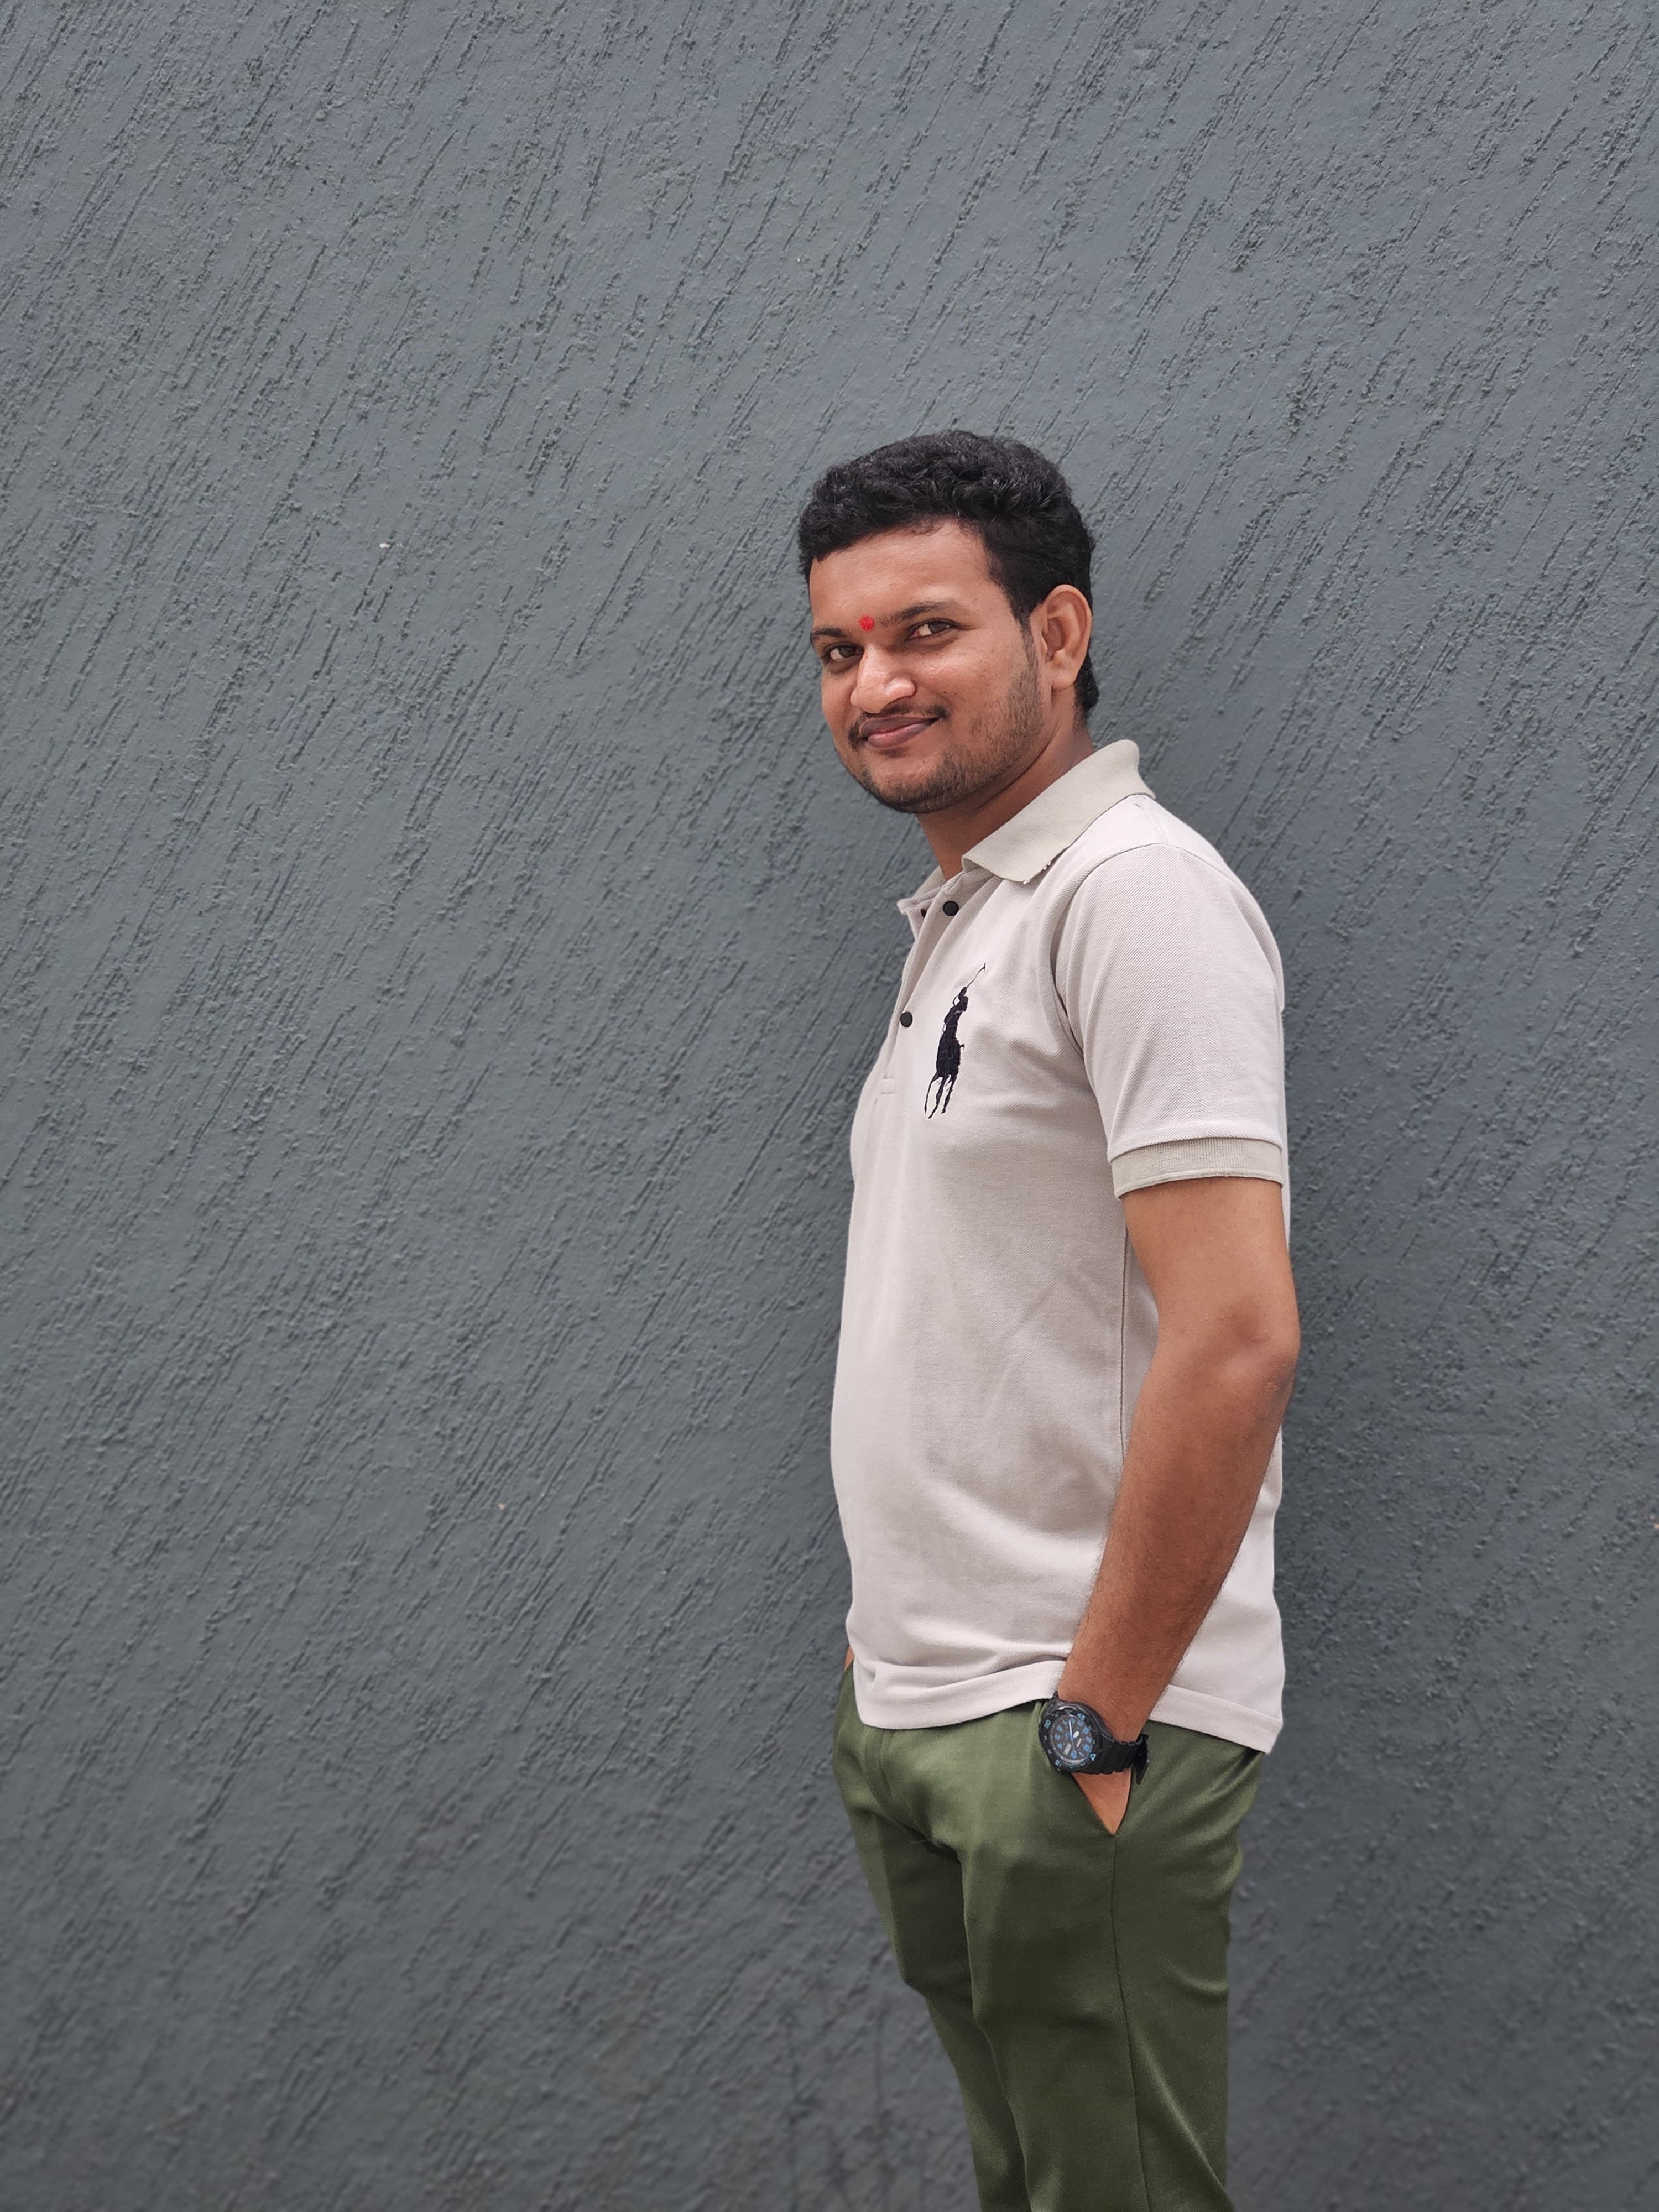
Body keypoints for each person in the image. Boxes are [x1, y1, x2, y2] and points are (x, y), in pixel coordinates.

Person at [800, 431, 1300, 2212]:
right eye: (841, 649)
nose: (875, 684)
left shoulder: (1132, 897)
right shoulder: (969, 922)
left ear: (1061, 634)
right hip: (923, 1708)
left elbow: (1238, 1335)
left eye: (927, 630)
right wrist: (883, 1683)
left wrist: (1093, 1727)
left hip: (1067, 1726)